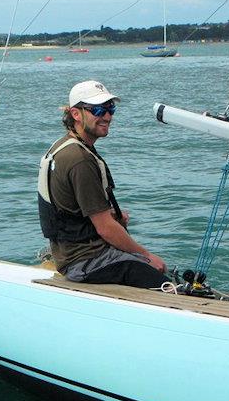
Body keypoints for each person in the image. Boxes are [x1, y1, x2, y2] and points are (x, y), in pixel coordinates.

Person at [37, 79, 168, 288]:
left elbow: (72, 211)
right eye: (97, 110)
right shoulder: (79, 160)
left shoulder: (63, 147)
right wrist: (147, 256)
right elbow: (105, 229)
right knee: (164, 284)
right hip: (85, 261)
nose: (107, 116)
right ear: (75, 114)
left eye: (110, 108)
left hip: (70, 255)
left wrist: (113, 217)